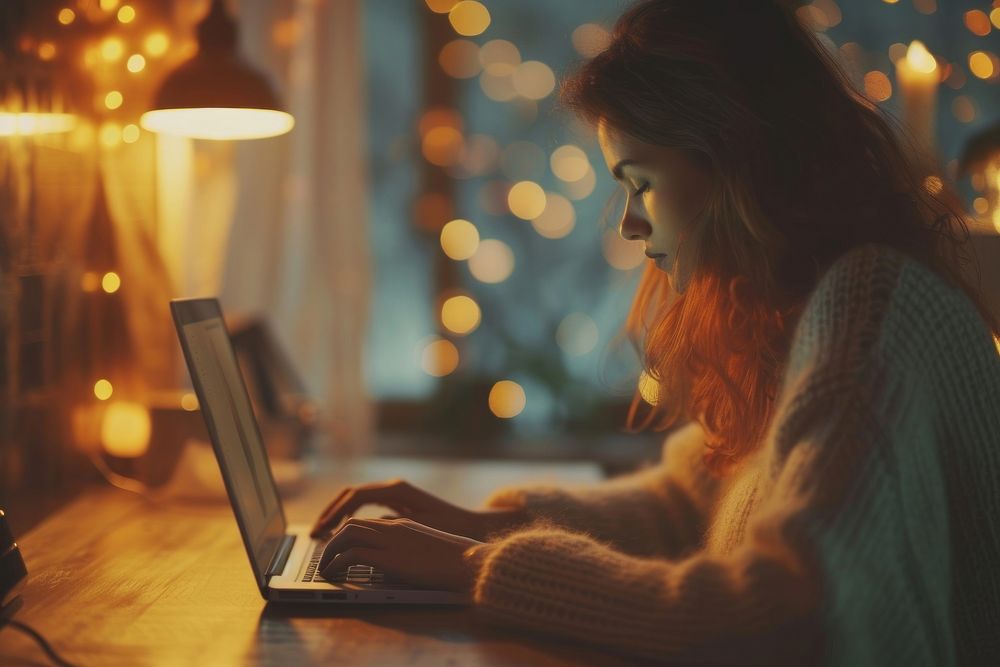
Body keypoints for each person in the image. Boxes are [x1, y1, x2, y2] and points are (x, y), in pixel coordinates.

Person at [313, 1, 1000, 663]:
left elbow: (784, 617)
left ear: (734, 162)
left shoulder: (869, 307)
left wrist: (472, 565)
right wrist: (475, 526)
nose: (629, 224)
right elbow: (687, 506)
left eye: (640, 183)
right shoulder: (800, 310)